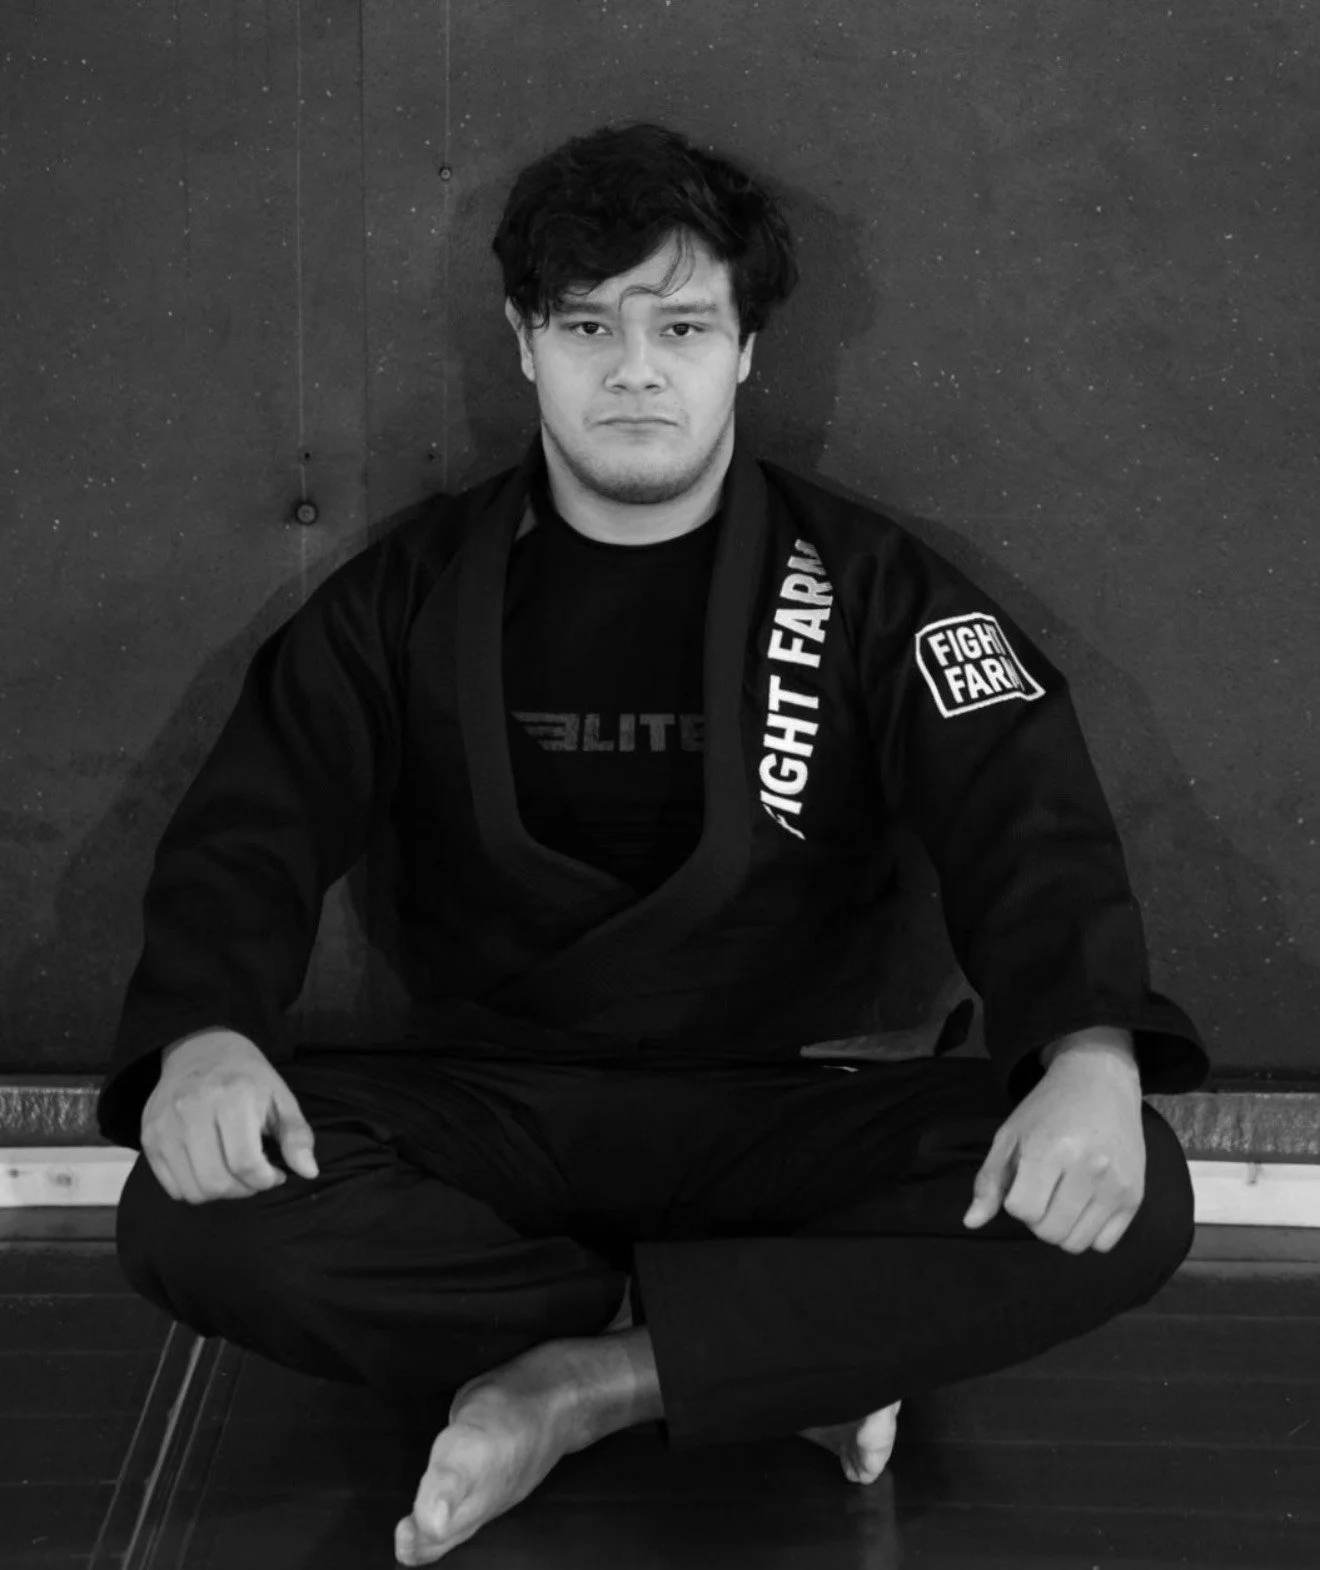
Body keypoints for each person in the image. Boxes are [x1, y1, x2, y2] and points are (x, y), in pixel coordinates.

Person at [101, 120, 1210, 1566]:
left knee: (1131, 1193)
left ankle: (580, 1380)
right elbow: (249, 830)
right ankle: (758, 1365)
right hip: (487, 1114)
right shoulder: (407, 597)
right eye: (587, 325)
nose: (635, 368)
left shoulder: (874, 588)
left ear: (745, 350)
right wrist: (201, 1034)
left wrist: (1090, 1055)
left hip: (790, 1113)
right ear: (524, 343)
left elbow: (1030, 825)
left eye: (683, 324)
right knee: (188, 1216)